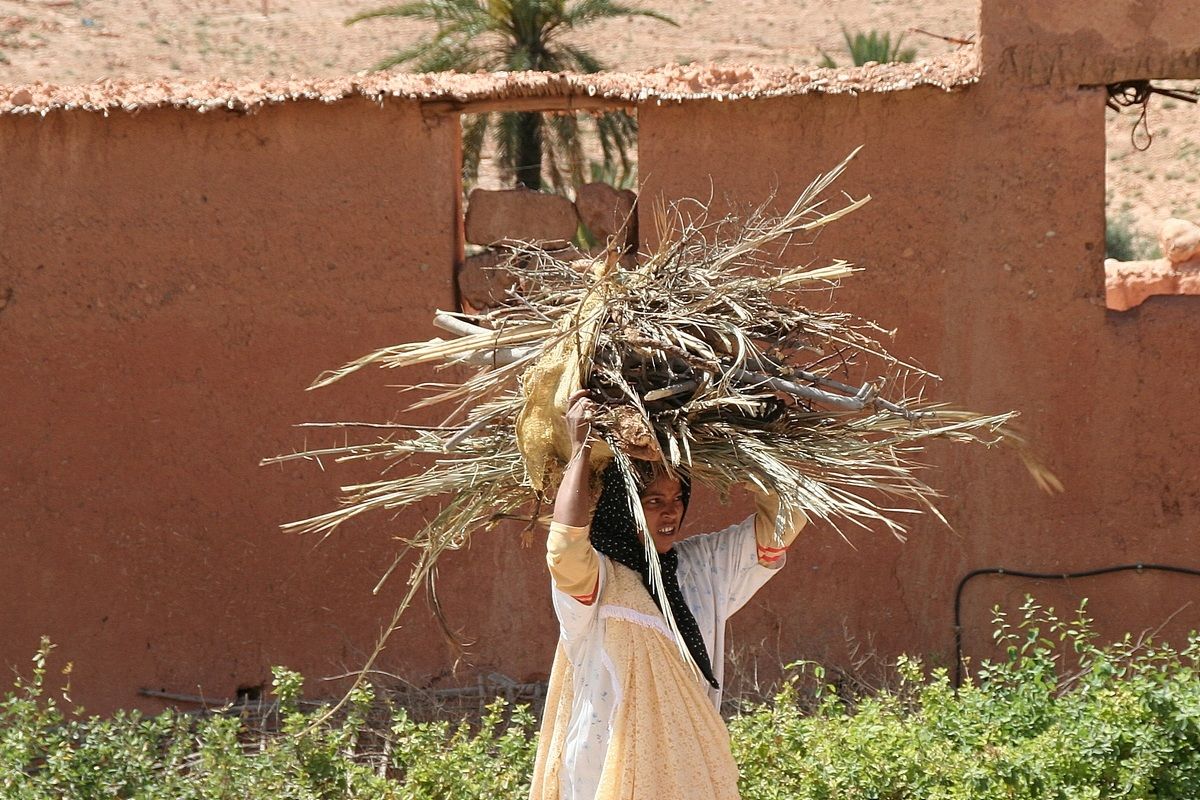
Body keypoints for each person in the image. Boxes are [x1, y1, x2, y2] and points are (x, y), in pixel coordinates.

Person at [529, 390, 807, 800]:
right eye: (653, 501)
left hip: (690, 773)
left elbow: (783, 523)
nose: (671, 512)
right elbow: (564, 547)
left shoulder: (700, 568)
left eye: (678, 499)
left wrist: (753, 447)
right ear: (622, 507)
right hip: (603, 772)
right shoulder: (598, 579)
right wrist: (580, 450)